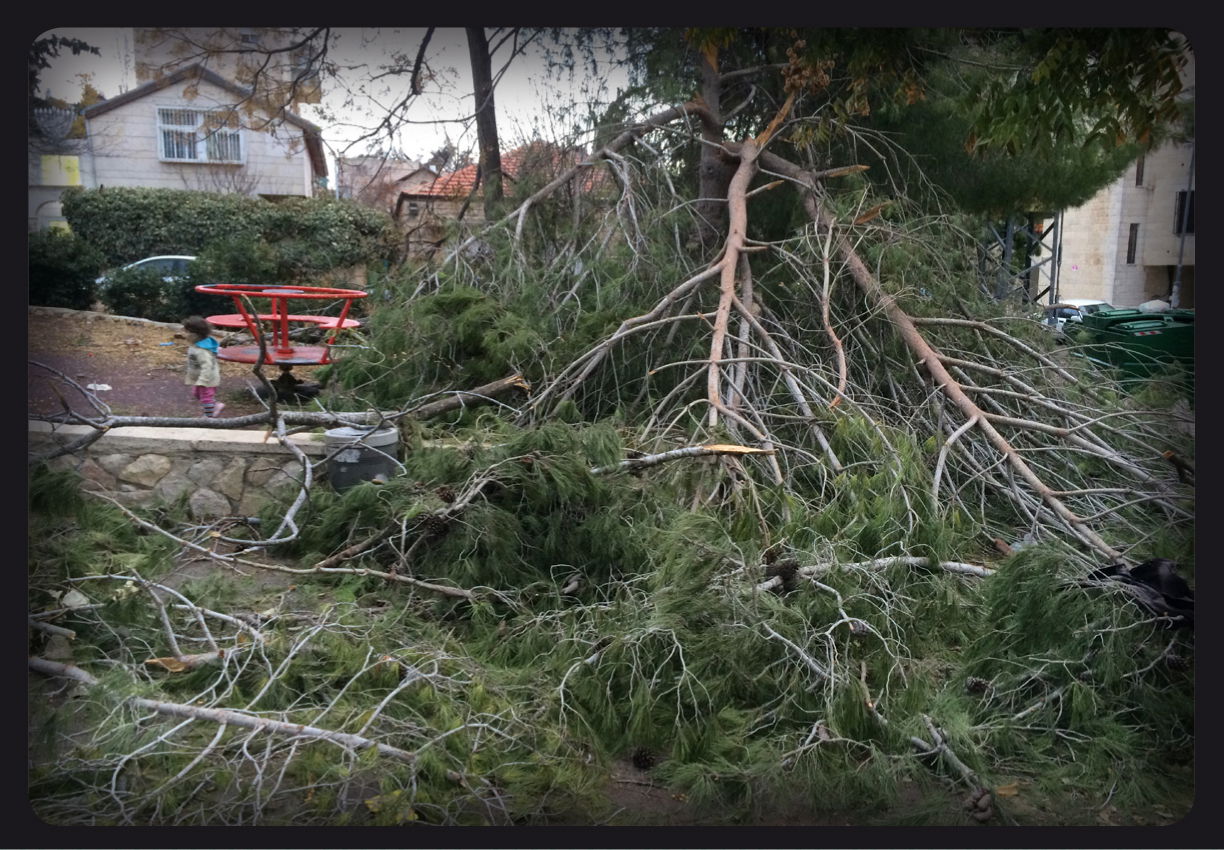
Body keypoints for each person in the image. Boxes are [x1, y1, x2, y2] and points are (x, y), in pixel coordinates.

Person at [182, 315, 225, 418]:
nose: (184, 334)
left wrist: (203, 381)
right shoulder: (197, 345)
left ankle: (208, 417)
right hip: (200, 378)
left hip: (206, 379)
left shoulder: (202, 351)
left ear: (196, 335)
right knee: (197, 394)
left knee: (205, 397)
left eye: (187, 332)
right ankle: (215, 405)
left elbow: (207, 367)